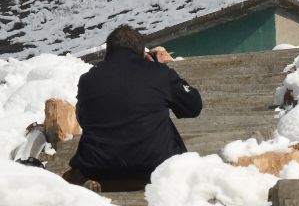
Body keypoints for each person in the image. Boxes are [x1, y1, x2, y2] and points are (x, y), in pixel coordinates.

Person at [65, 25, 202, 191]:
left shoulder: (88, 79)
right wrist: (159, 69)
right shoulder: (159, 74)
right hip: (155, 167)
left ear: (108, 51)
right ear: (141, 52)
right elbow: (193, 107)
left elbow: (83, 119)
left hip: (97, 169)